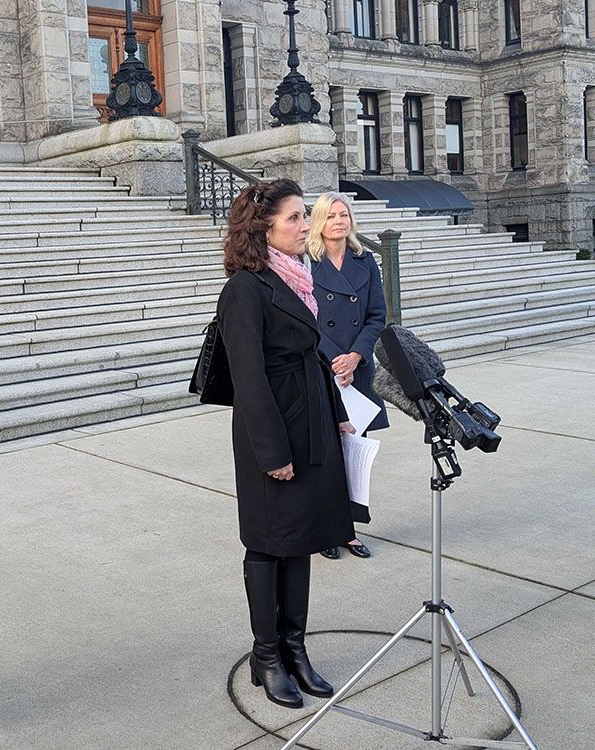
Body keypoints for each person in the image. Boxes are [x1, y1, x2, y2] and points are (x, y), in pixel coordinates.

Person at [216, 179, 356, 709]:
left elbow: (313, 355)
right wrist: (273, 454)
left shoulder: (299, 278)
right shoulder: (246, 288)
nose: (306, 226)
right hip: (271, 433)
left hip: (312, 422)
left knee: (302, 539)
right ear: (264, 227)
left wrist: (338, 414)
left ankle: (295, 648)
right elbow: (249, 378)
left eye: (305, 216)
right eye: (296, 218)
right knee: (268, 546)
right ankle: (267, 655)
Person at [306, 192, 389, 560]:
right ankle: (325, 528)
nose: (340, 221)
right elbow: (304, 317)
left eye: (345, 215)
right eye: (332, 216)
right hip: (322, 368)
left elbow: (376, 316)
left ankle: (350, 530)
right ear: (319, 222)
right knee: (324, 454)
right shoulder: (305, 262)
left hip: (356, 371)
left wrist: (356, 355)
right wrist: (334, 357)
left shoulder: (364, 260)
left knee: (354, 452)